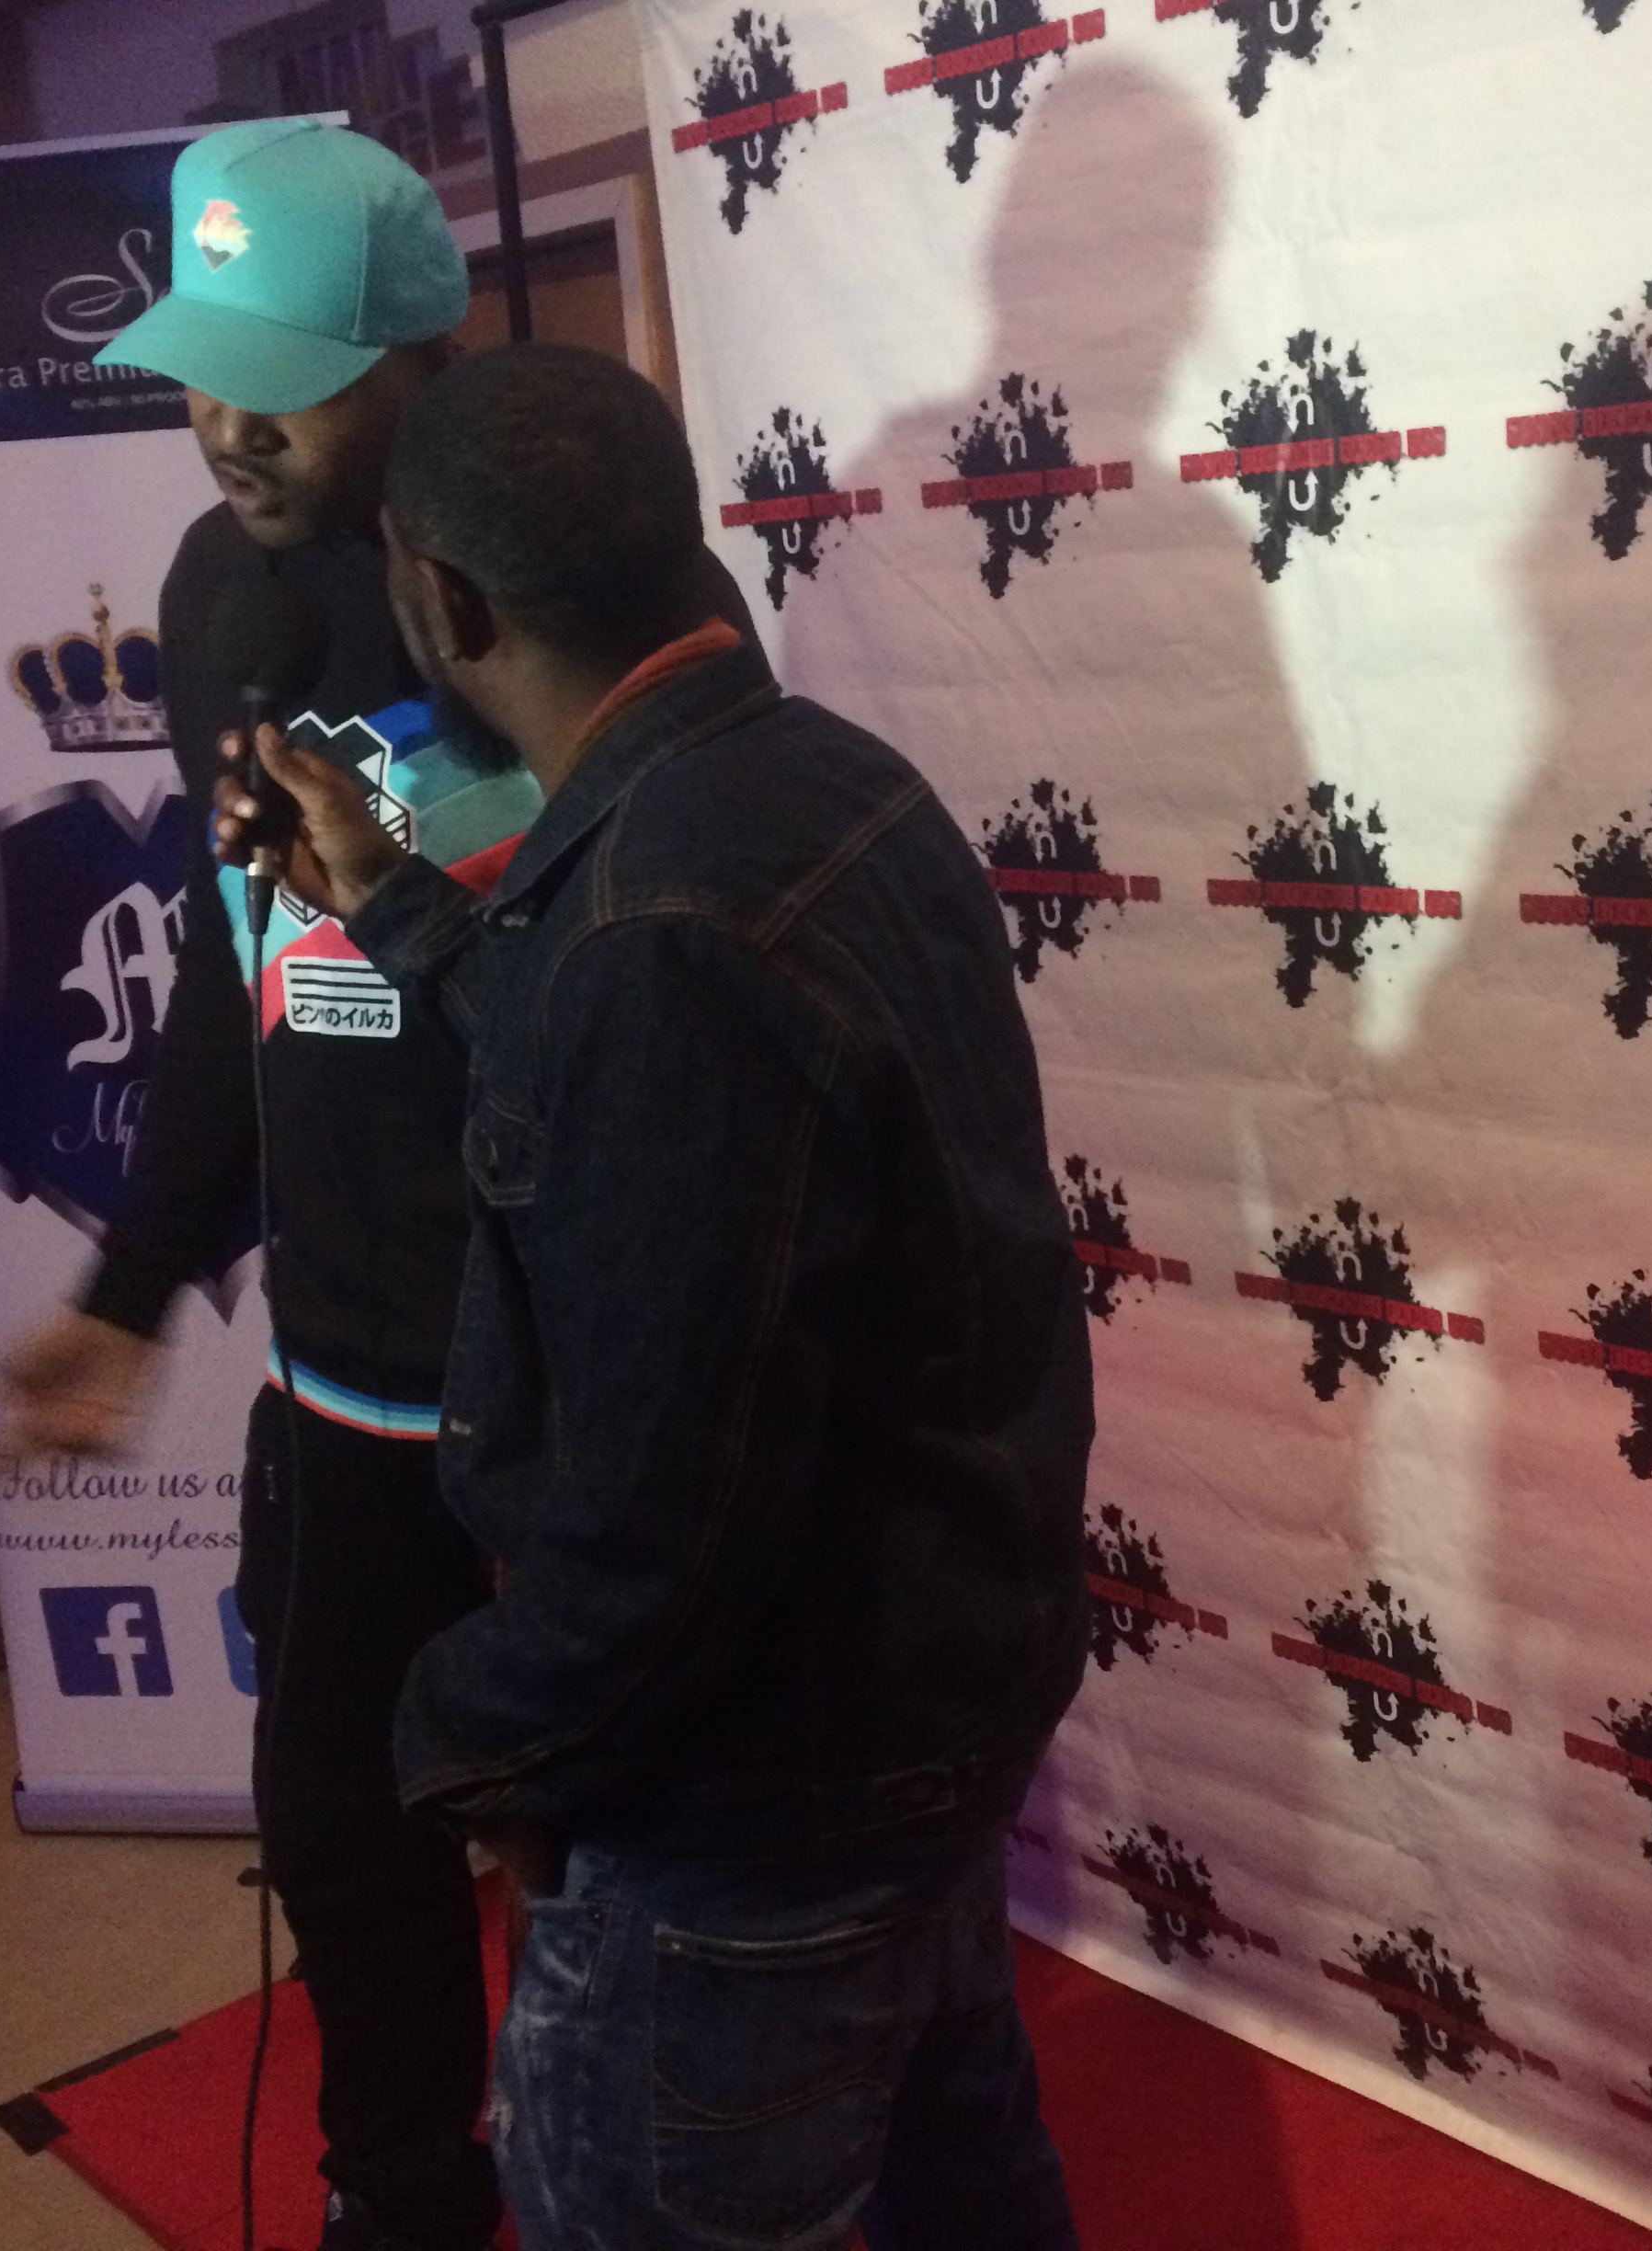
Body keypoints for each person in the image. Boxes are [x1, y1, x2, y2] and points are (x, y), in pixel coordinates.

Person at [227, 342, 1094, 2251]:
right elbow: (652, 1088)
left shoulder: (656, 926)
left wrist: (465, 1732)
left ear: (444, 604)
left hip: (755, 1815)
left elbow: (658, 1531)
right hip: (926, 1717)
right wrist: (394, 897)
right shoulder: (829, 787)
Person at [0, 120, 503, 2251]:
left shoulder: (541, 574)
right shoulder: (218, 591)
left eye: (281, 377)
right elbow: (240, 957)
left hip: (568, 1365)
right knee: (338, 1827)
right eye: (202, 365)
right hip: (346, 1365)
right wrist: (127, 1285)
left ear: (414, 360)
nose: (226, 422)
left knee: (605, 1838)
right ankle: (409, 2197)